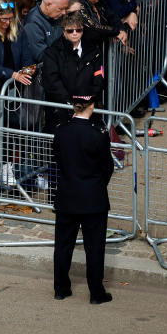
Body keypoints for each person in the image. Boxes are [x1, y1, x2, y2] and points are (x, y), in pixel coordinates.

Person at [52, 93, 114, 305]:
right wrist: (95, 185)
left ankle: (60, 289)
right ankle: (96, 293)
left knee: (63, 245)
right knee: (94, 248)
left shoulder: (61, 132)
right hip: (93, 198)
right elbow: (107, 167)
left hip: (67, 195)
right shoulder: (98, 135)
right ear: (92, 106)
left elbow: (58, 160)